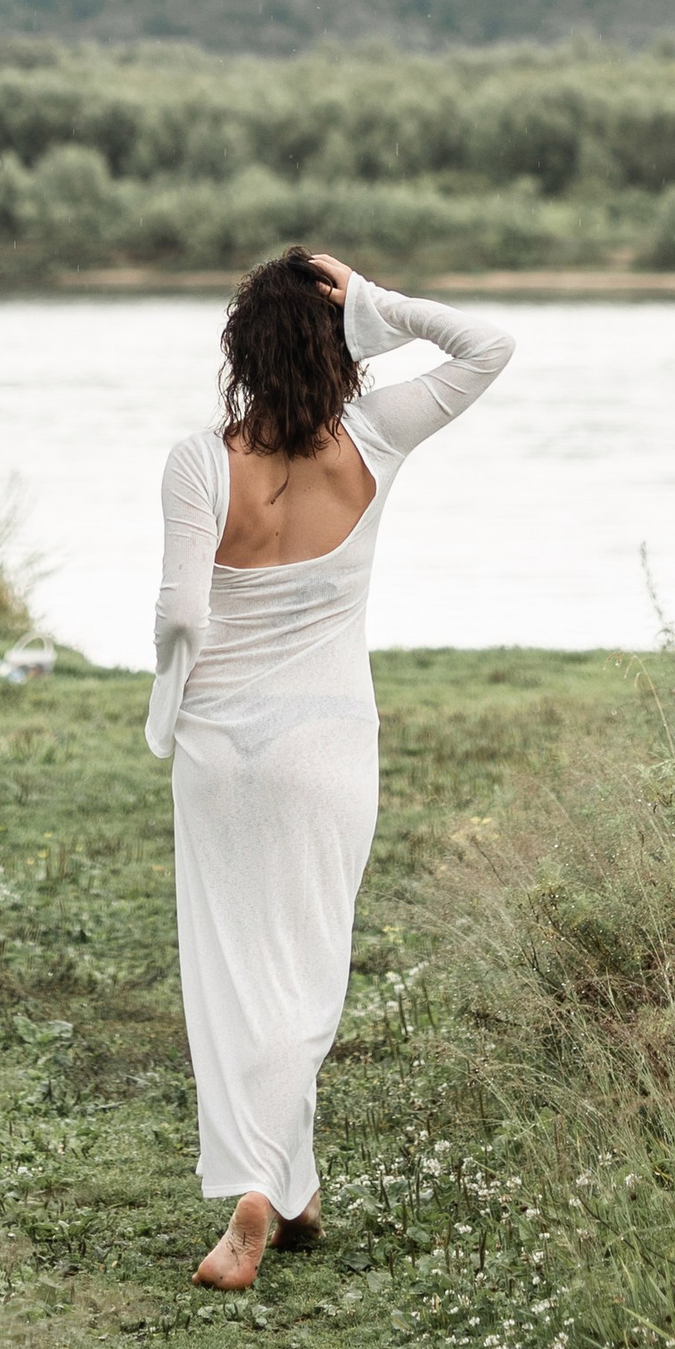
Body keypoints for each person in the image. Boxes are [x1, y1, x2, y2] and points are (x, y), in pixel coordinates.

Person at [147, 246, 514, 1291]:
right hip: (326, 740)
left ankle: (270, 1194)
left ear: (241, 350)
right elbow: (488, 344)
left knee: (235, 966)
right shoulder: (377, 433)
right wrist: (373, 302)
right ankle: (280, 1192)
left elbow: (181, 611)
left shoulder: (196, 461)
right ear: (338, 342)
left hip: (222, 748)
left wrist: (171, 688)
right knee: (304, 963)